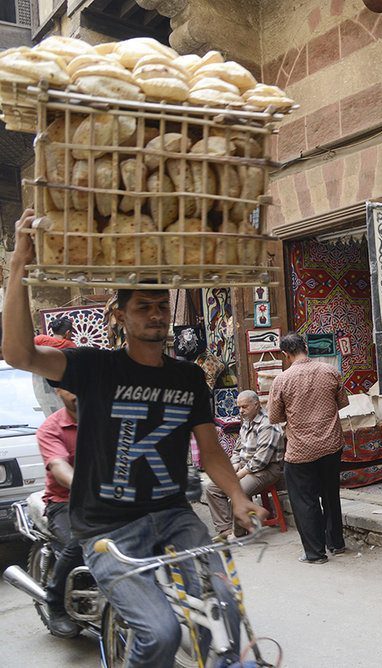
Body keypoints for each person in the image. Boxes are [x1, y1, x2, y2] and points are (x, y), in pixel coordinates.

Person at [1, 209, 266, 667]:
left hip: (173, 515)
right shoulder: (95, 367)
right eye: (143, 306)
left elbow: (212, 450)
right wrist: (19, 267)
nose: (156, 314)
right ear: (120, 315)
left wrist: (237, 497)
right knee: (160, 632)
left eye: (162, 305)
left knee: (223, 608)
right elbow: (19, 352)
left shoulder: (188, 379)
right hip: (107, 527)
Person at [268, 333, 350, 564]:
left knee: (305, 500)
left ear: (286, 354)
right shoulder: (330, 371)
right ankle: (336, 543)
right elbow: (342, 403)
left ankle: (315, 553)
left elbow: (274, 417)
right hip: (331, 444)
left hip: (301, 449)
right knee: (330, 494)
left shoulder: (282, 380)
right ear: (306, 347)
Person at [35, 387, 83, 638]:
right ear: (57, 390)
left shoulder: (107, 420)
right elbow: (58, 466)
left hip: (107, 500)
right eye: (70, 386)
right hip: (63, 501)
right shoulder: (51, 428)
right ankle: (54, 602)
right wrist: (85, 487)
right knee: (80, 541)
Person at [205, 390, 284, 539]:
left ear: (256, 405)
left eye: (245, 407)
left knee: (238, 491)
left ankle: (239, 534)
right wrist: (234, 465)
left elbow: (261, 461)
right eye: (239, 407)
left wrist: (238, 475)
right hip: (246, 467)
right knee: (212, 488)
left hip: (267, 469)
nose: (241, 411)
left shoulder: (267, 424)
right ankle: (225, 530)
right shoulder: (247, 422)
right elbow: (237, 450)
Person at [32, 316, 76, 416]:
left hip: (40, 387)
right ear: (67, 333)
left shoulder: (40, 339)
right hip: (61, 387)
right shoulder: (70, 346)